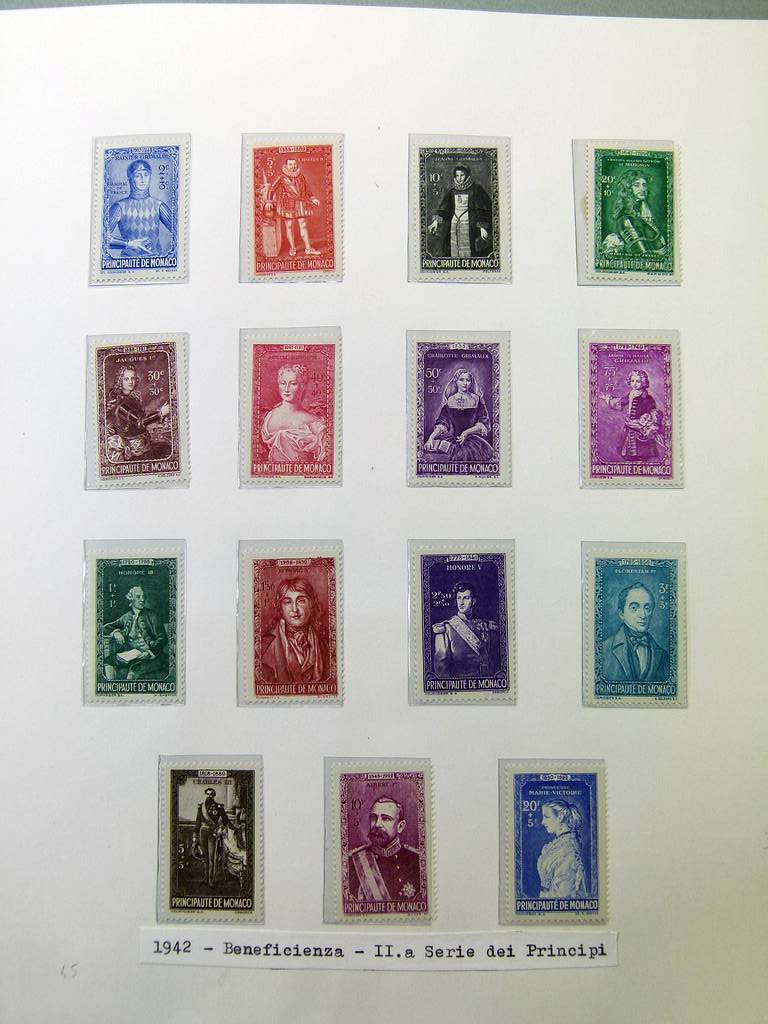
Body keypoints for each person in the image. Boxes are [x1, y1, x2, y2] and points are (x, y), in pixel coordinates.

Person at [348, 796, 421, 902]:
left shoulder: (416, 861)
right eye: (374, 818)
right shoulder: (353, 862)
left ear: (400, 826)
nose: (377, 824)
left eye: (386, 818)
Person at [260, 577, 328, 685]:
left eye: (301, 601)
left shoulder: (325, 645)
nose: (295, 609)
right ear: (280, 608)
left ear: (311, 604)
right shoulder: (266, 645)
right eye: (287, 602)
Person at [601, 582, 670, 682]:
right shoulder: (604, 650)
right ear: (621, 614)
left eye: (647, 608)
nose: (643, 615)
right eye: (634, 608)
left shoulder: (663, 656)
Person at [260, 363, 327, 465]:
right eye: (283, 383)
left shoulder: (314, 422)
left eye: (293, 383)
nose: (286, 388)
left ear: (303, 385)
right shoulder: (269, 416)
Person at [424, 367, 493, 464]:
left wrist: (466, 432)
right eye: (461, 380)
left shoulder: (476, 399)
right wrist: (431, 438)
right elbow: (443, 423)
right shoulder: (450, 400)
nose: (465, 383)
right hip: (454, 440)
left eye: (468, 380)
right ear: (455, 381)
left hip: (473, 442)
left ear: (471, 382)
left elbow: (483, 422)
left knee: (465, 456)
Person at [432, 579, 499, 678]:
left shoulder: (488, 626)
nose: (461, 603)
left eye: (466, 598)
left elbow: (495, 662)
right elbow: (441, 670)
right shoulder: (446, 629)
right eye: (459, 598)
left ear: (474, 601)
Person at [107, 159, 173, 257]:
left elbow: (180, 231)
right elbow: (102, 238)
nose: (143, 179)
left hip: (157, 260)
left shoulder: (158, 205)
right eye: (138, 175)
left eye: (146, 175)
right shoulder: (119, 207)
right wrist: (128, 244)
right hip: (128, 262)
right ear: (130, 178)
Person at [106, 365, 171, 463]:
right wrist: (160, 413)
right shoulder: (121, 405)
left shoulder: (131, 398)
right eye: (126, 379)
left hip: (142, 442)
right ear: (120, 381)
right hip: (136, 448)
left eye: (132, 378)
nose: (130, 382)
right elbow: (140, 422)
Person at [427, 164, 493, 259]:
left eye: (462, 175)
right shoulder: (452, 191)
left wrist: (482, 227)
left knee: (470, 251)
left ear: (467, 175)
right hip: (454, 223)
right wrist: (435, 222)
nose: (459, 178)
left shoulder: (476, 189)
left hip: (470, 224)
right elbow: (445, 209)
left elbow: (483, 209)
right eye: (457, 176)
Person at [102, 585, 166, 681]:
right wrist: (116, 633)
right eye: (138, 597)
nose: (142, 599)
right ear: (131, 599)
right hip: (131, 655)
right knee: (108, 661)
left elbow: (162, 639)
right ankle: (112, 687)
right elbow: (105, 627)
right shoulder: (126, 617)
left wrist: (150, 652)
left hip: (152, 656)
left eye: (143, 596)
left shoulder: (152, 616)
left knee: (134, 670)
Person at [599, 369, 663, 462]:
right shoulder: (631, 393)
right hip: (630, 424)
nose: (634, 384)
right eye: (633, 381)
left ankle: (641, 463)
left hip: (641, 426)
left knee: (642, 449)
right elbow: (622, 401)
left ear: (643, 382)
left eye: (638, 381)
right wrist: (608, 398)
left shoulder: (648, 398)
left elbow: (652, 411)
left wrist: (647, 421)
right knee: (627, 449)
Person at [602, 170, 666, 257]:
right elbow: (644, 256)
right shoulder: (626, 218)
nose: (642, 189)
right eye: (636, 185)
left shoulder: (645, 210)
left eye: (644, 185)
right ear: (628, 189)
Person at [265, 157, 321, 258]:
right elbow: (272, 189)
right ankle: (292, 248)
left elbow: (307, 189)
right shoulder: (281, 177)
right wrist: (269, 201)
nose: (293, 166)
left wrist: (313, 198)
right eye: (290, 164)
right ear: (286, 166)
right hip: (288, 204)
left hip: (301, 203)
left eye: (294, 164)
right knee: (289, 226)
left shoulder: (301, 176)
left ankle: (308, 248)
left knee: (303, 225)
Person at [537, 800, 587, 898]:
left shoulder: (567, 850)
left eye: (547, 817)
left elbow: (563, 893)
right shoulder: (556, 846)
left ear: (560, 817)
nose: (543, 822)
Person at [193, 788, 230, 888]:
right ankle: (205, 879)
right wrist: (195, 835)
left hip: (212, 833)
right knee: (205, 857)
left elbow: (225, 820)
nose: (209, 796)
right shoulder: (201, 807)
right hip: (203, 832)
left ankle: (211, 880)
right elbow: (198, 821)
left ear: (214, 795)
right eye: (207, 794)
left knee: (212, 857)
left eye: (211, 794)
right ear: (205, 795)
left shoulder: (218, 807)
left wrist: (220, 828)